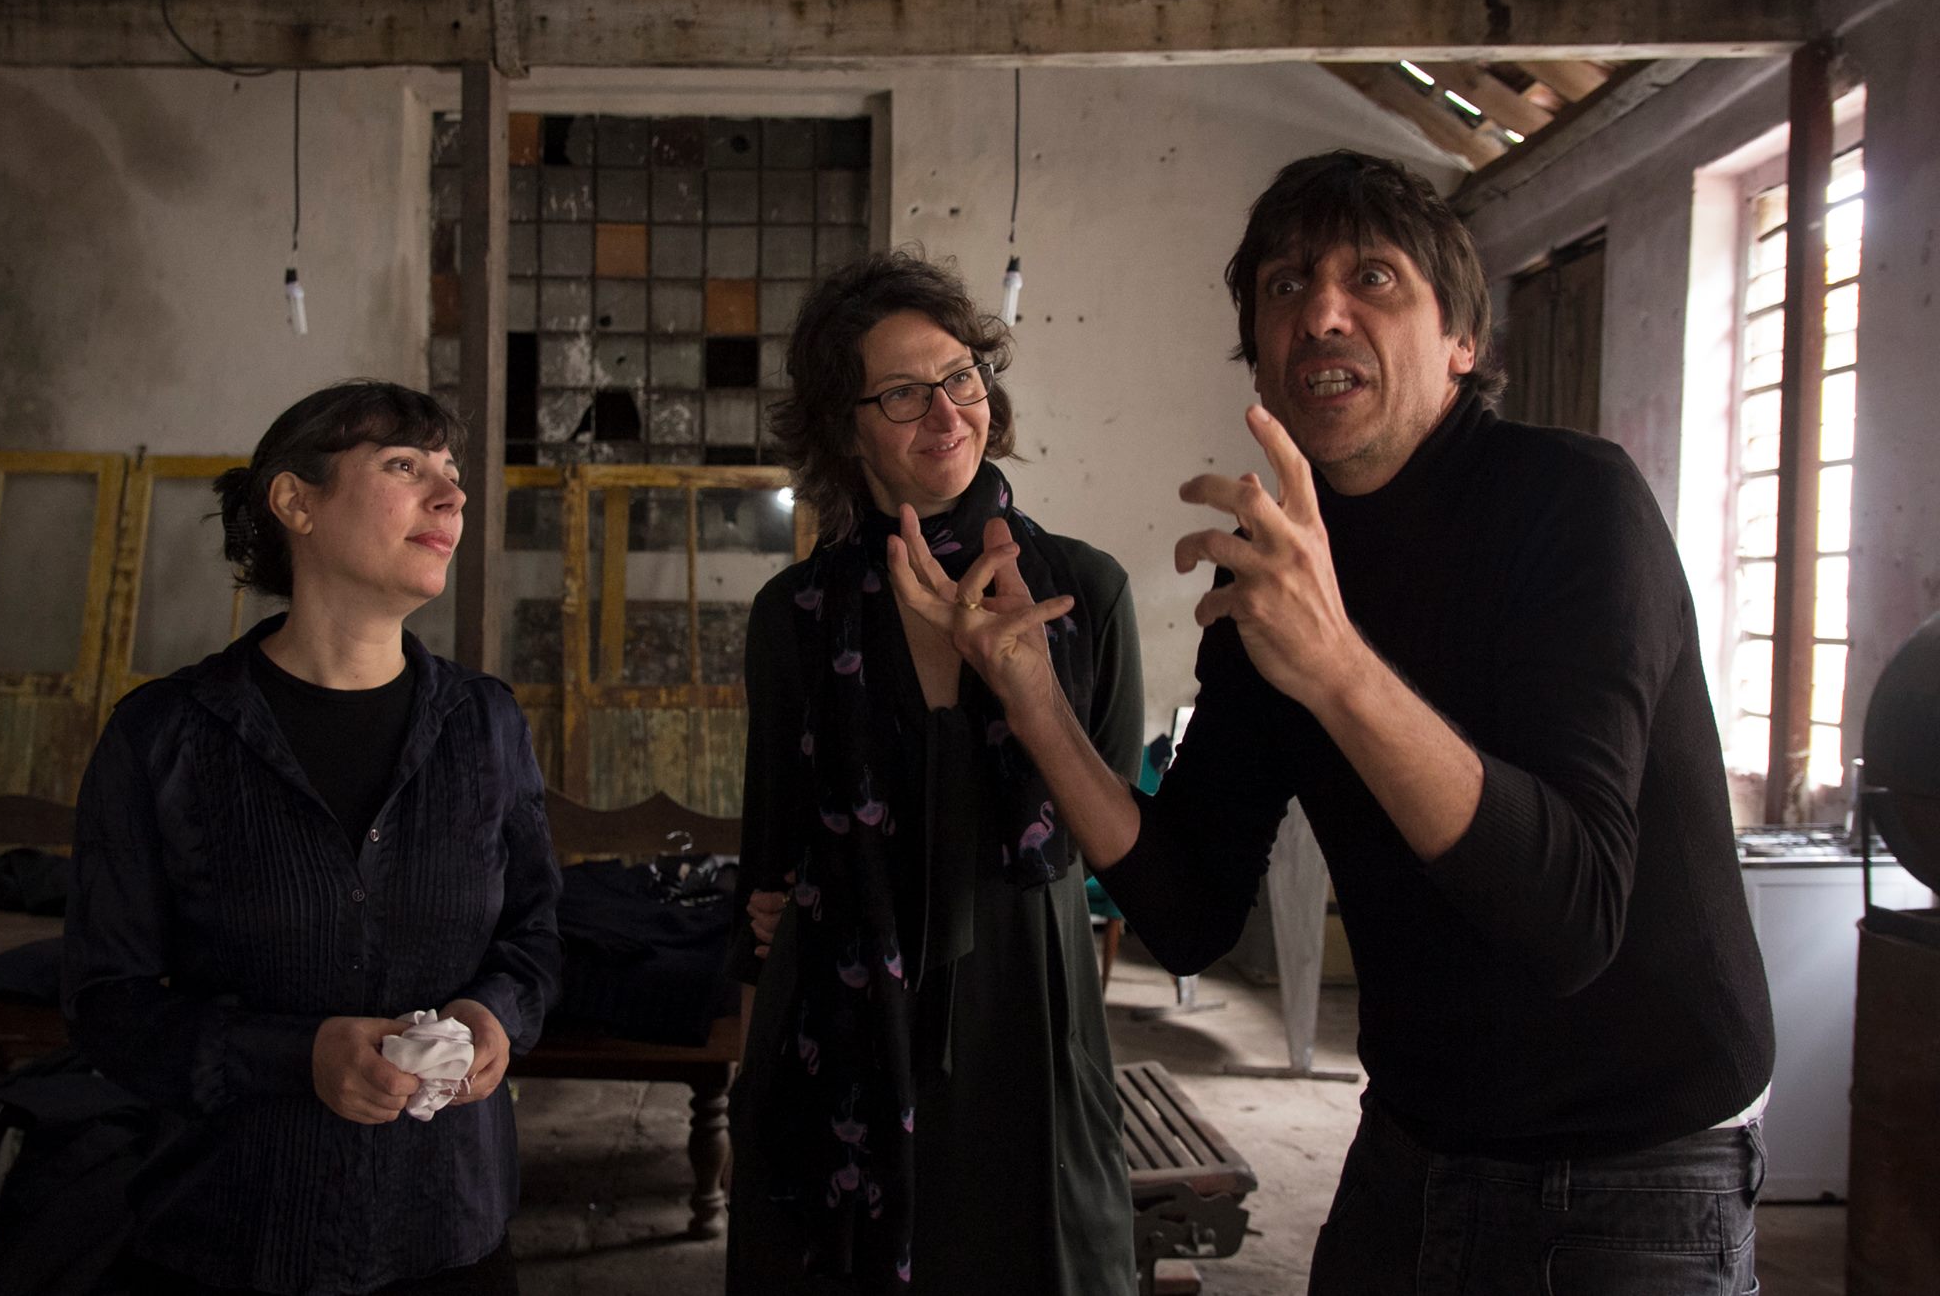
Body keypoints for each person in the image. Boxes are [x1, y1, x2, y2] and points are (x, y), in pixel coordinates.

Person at [889, 152, 1776, 1294]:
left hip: (1635, 1165)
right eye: (1285, 286)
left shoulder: (1573, 504)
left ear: (1462, 339)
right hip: (1414, 1138)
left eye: (1373, 277)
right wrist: (1033, 700)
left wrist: (1336, 665)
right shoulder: (1273, 577)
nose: (1320, 313)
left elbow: (1571, 919)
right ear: (1259, 357)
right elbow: (1189, 910)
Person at [62, 380, 563, 1295]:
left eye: (450, 472)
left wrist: (495, 1013)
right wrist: (300, 1055)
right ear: (296, 501)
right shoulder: (165, 735)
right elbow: (108, 1003)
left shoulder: (485, 724)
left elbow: (535, 934)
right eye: (405, 466)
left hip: (446, 1230)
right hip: (231, 1234)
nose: (451, 495)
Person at [726, 252, 1143, 1295]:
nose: (947, 414)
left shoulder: (1084, 591)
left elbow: (1116, 848)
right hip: (842, 1012)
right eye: (903, 394)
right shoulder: (796, 616)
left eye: (961, 377)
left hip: (1027, 1000)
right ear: (846, 427)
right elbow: (766, 857)